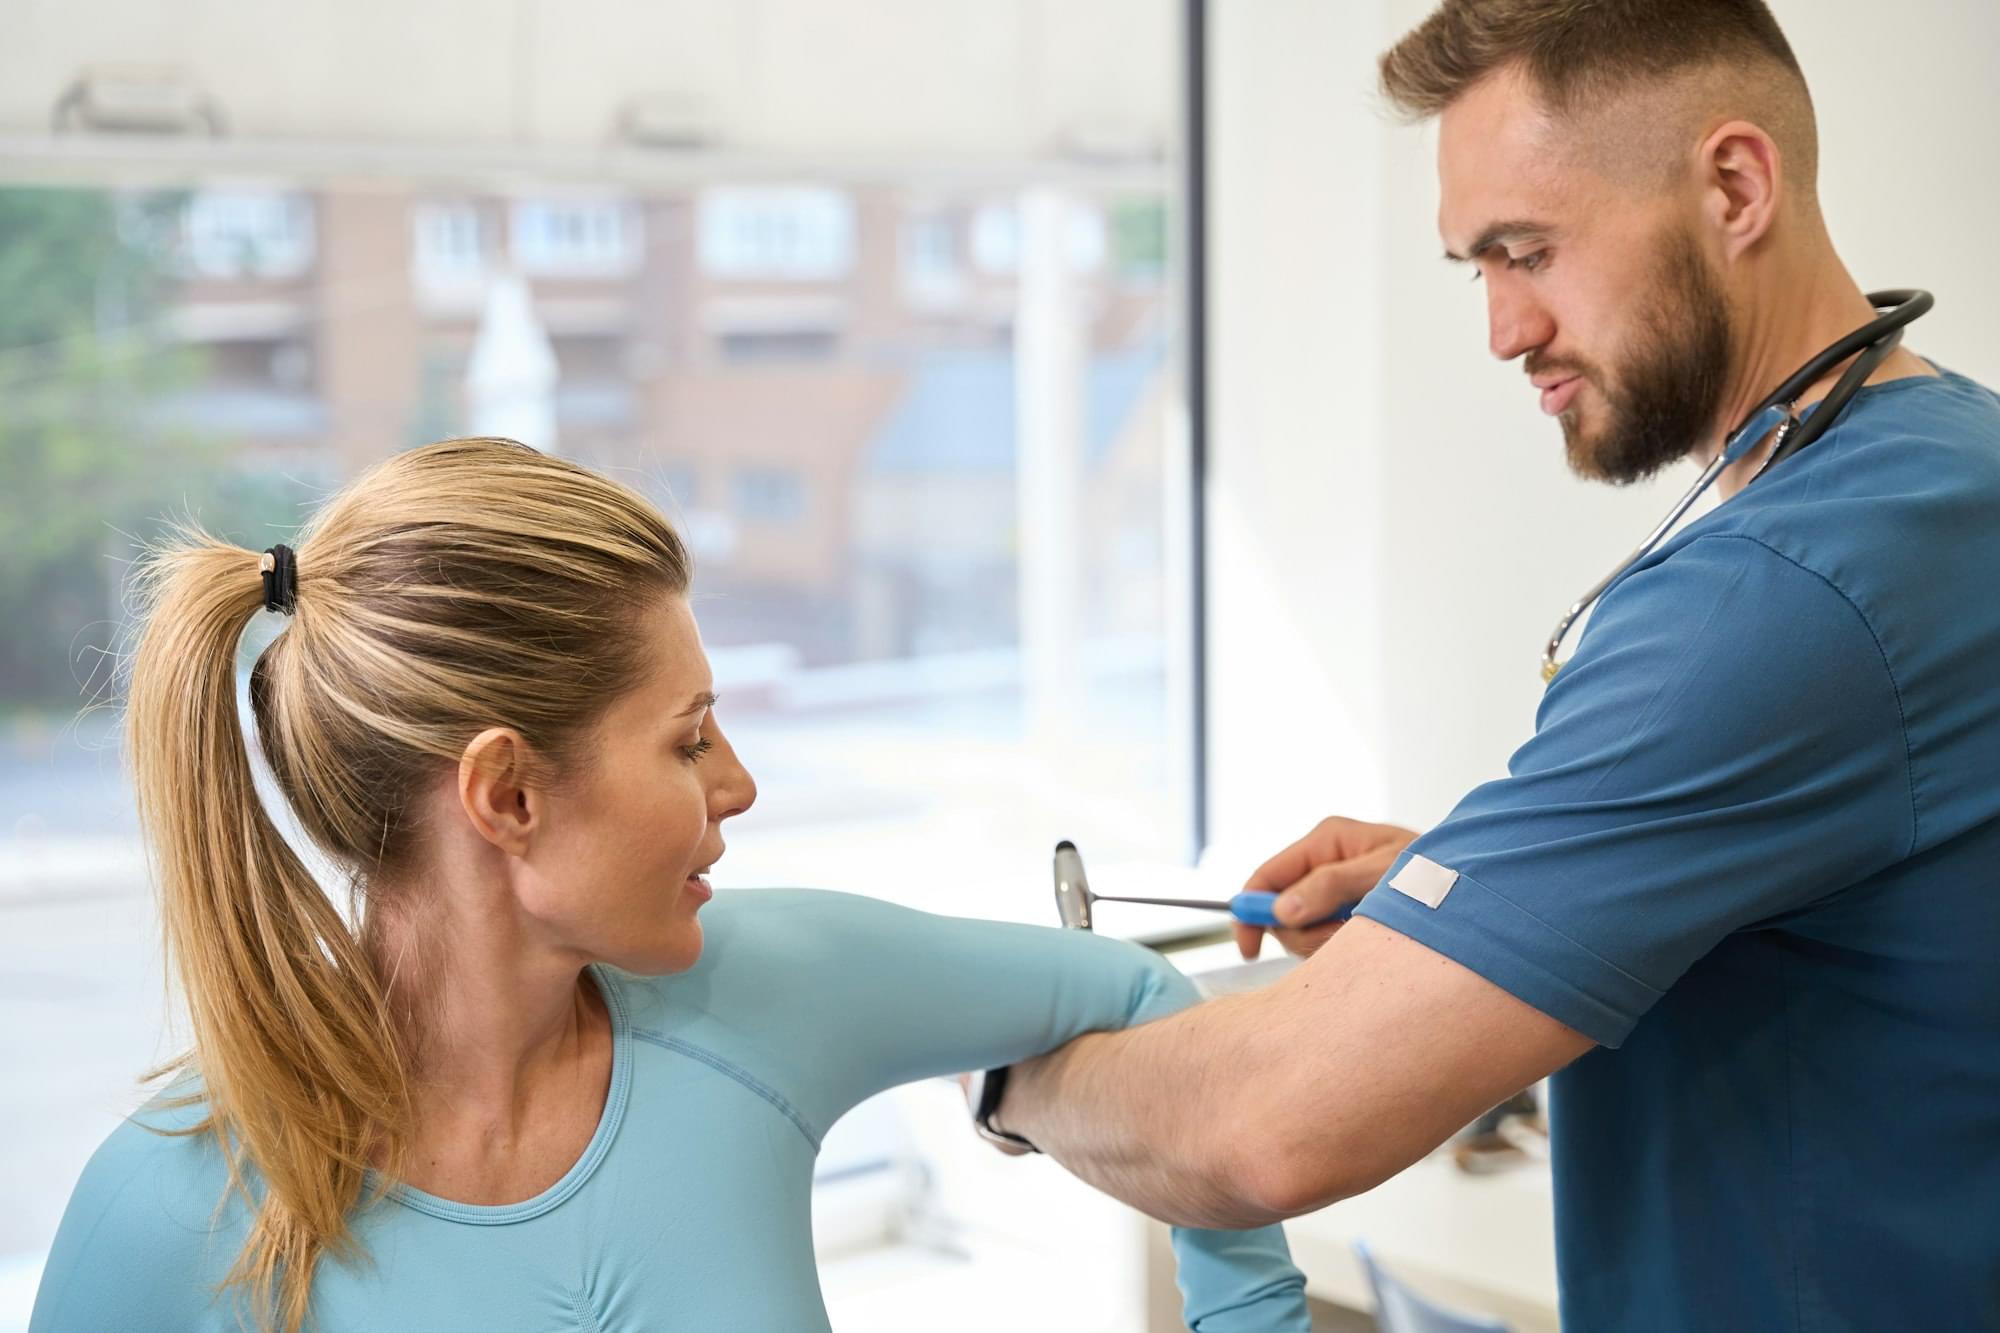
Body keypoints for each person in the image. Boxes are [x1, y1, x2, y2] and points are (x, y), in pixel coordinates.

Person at [978, 3, 2000, 1329]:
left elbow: (1261, 1133)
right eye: (1479, 269)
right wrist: (1490, 908)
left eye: (1530, 252)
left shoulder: (1777, 596)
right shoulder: (1950, 472)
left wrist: (996, 1068)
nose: (1505, 331)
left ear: (1736, 186)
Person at [28, 437, 1309, 1333]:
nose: (737, 782)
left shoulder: (765, 992)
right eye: (688, 738)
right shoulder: (169, 1208)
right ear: (509, 796)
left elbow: (1141, 994)